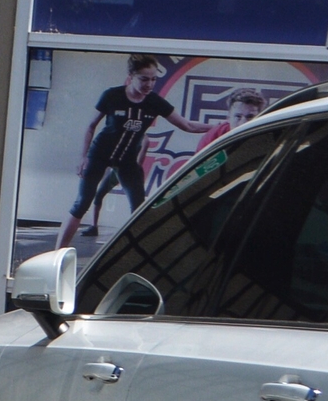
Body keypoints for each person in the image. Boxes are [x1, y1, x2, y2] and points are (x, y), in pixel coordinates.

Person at [54, 56, 212, 253]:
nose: (150, 84)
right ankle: (57, 254)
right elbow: (91, 126)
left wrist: (223, 126)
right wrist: (83, 157)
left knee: (139, 209)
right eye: (144, 79)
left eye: (154, 79)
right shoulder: (112, 96)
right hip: (100, 154)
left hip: (127, 160)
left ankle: (134, 255)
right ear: (131, 77)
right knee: (82, 202)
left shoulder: (155, 102)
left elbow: (188, 125)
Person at [199, 88, 268, 148]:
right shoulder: (213, 137)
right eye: (238, 116)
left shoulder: (268, 137)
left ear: (259, 119)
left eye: (250, 117)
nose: (243, 123)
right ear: (228, 118)